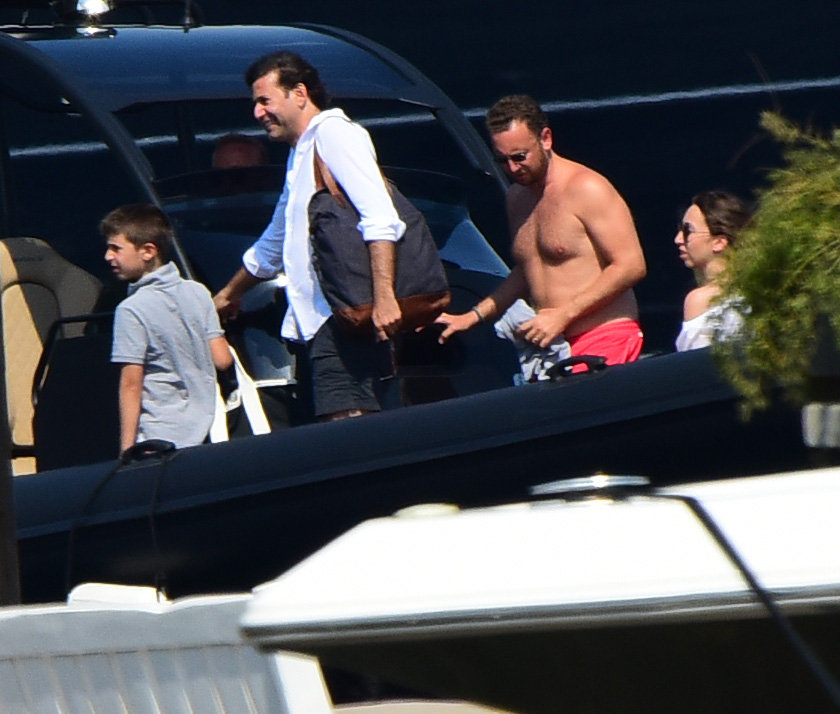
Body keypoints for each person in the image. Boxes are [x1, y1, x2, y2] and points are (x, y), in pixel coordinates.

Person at [213, 51, 404, 421]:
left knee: (351, 431)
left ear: (299, 93)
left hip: (345, 320)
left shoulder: (335, 134)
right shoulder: (302, 151)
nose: (258, 113)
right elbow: (275, 242)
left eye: (264, 101)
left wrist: (384, 298)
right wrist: (228, 294)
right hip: (322, 326)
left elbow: (380, 218)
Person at [434, 95, 646, 375]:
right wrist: (473, 316)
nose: (512, 168)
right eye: (502, 160)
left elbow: (631, 265)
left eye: (520, 157)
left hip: (604, 338)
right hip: (552, 347)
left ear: (545, 138)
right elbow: (528, 270)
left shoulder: (586, 188)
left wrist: (563, 314)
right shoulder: (517, 198)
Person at [105, 204, 233, 456]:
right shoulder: (198, 292)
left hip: (160, 436)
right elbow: (222, 360)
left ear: (148, 251)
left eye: (116, 248)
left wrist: (127, 450)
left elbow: (131, 384)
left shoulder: (131, 310)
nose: (108, 256)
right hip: (209, 428)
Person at [674, 190, 751, 351]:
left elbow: (697, 363)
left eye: (688, 231)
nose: (678, 239)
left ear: (719, 242)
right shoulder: (757, 290)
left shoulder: (700, 300)